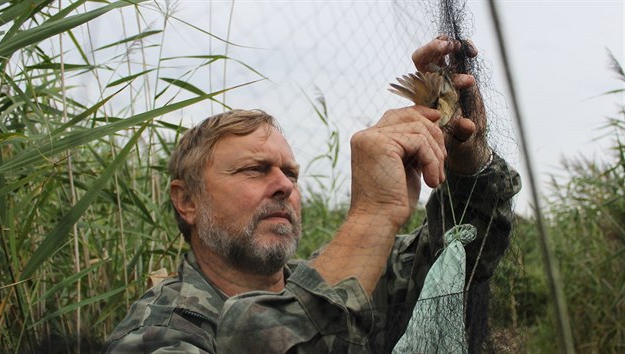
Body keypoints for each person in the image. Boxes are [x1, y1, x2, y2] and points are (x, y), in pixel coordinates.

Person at [104, 37, 521, 353]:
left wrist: (465, 154)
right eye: (254, 169)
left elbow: (464, 248)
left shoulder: (359, 278)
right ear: (186, 201)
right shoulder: (159, 329)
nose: (284, 185)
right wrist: (372, 214)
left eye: (291, 173)